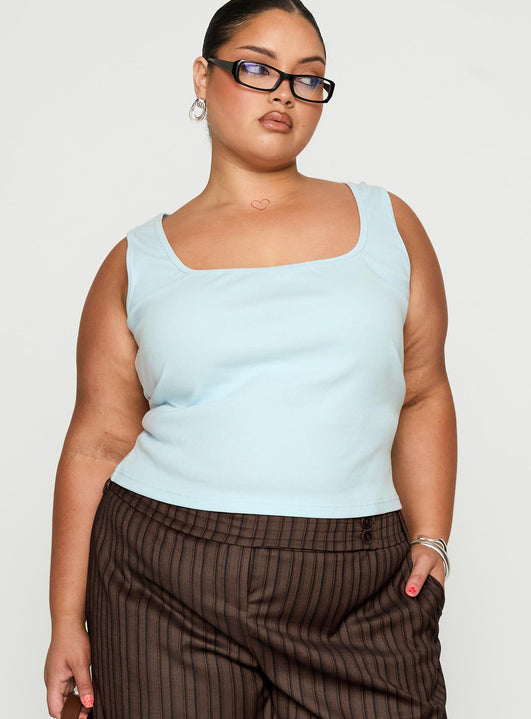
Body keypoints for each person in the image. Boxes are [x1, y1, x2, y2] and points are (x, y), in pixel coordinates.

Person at [43, 1, 457, 717]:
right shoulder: (137, 260)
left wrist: (432, 539)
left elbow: (423, 392)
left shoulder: (389, 225)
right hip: (162, 574)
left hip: (358, 581)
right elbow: (97, 441)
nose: (284, 94)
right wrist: (64, 620)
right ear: (202, 78)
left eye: (307, 78)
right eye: (257, 69)